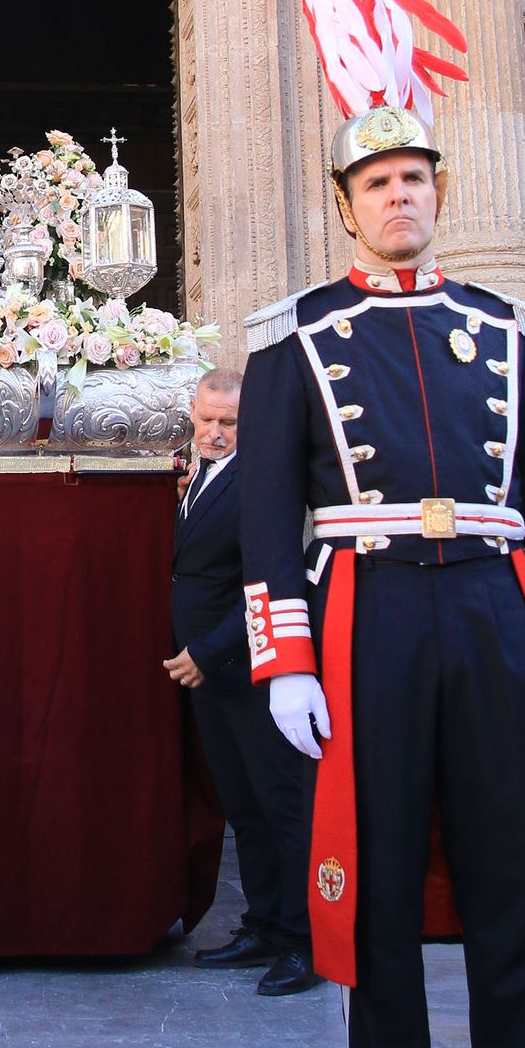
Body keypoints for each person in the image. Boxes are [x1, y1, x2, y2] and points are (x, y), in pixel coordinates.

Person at [240, 0, 525, 1048]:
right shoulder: (301, 338)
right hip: (369, 619)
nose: (402, 197)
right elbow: (269, 517)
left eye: (417, 178)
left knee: (508, 900)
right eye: (380, 183)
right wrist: (281, 658)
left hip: (490, 619)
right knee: (381, 904)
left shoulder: (508, 334)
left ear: (442, 192)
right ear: (347, 206)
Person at [163, 367, 317, 994]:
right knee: (243, 809)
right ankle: (265, 924)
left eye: (228, 423)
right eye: (206, 420)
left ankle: (305, 941)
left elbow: (265, 579)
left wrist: (208, 648)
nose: (214, 433)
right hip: (207, 676)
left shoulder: (260, 483)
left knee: (282, 807)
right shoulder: (193, 476)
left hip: (248, 668)